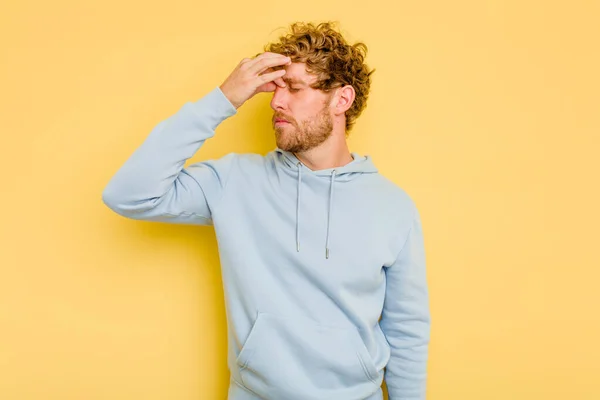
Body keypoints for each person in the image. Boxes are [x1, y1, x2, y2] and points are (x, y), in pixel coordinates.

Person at [102, 21, 430, 400]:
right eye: (275, 89)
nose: (276, 102)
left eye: (294, 88)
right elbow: (128, 194)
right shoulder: (234, 182)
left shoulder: (392, 206)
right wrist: (223, 99)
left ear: (341, 100)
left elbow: (407, 329)